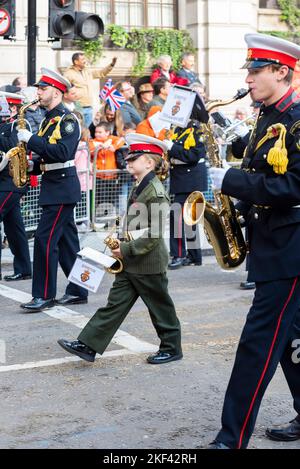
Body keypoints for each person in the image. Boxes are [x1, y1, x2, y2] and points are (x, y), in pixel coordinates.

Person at [208, 33, 300, 449]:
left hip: (292, 247)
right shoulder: (267, 114)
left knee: (258, 343)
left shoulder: (297, 119)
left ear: (282, 71)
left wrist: (232, 181)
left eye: (256, 70)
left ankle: (231, 438)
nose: (248, 78)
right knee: (291, 337)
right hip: (272, 241)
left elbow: (294, 185)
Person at [57, 134, 182, 365]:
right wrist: (118, 236)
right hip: (131, 260)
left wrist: (125, 249)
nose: (128, 162)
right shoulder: (140, 186)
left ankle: (172, 348)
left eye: (134, 158)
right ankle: (88, 344)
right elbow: (135, 222)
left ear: (149, 163)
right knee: (115, 305)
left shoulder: (155, 192)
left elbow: (154, 234)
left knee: (160, 307)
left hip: (147, 262)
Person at [18, 68, 88, 312]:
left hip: (62, 188)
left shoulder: (68, 120)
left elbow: (62, 153)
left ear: (56, 92)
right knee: (68, 243)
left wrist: (30, 140)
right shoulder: (49, 120)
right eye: (39, 88)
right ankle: (79, 289)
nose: (38, 92)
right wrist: (31, 165)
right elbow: (49, 156)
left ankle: (44, 294)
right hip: (55, 184)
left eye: (43, 88)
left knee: (44, 240)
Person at [165, 93, 208, 269]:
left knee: (179, 217)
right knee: (188, 218)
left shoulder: (197, 130)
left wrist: (172, 147)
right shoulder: (178, 129)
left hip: (190, 178)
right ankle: (194, 255)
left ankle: (179, 254)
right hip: (181, 177)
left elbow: (193, 156)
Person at [0, 92, 32, 282]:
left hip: (11, 181)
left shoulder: (18, 125)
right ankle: (24, 268)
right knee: (14, 228)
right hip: (3, 182)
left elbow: (13, 147)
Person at [63, 52, 117, 127]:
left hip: (89, 107)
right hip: (77, 107)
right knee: (78, 129)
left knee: (87, 132)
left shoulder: (87, 71)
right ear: (76, 62)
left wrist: (111, 65)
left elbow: (101, 73)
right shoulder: (68, 73)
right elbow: (64, 90)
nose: (85, 61)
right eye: (82, 59)